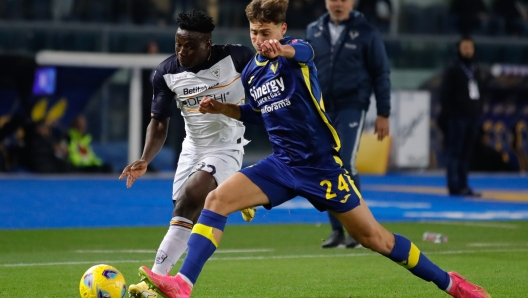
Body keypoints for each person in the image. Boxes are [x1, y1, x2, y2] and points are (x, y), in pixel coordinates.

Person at [136, 1, 491, 298]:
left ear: (281, 29)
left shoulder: (296, 55)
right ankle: (183, 284)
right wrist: (224, 108)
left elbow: (304, 50)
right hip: (281, 165)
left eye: (267, 33)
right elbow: (257, 115)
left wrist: (284, 48)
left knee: (376, 239)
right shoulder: (252, 73)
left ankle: (451, 283)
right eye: (255, 33)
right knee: (215, 201)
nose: (260, 41)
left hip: (321, 167)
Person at [119, 10, 256, 298]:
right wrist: (145, 158)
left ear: (207, 44)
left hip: (227, 145)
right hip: (192, 148)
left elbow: (265, 85)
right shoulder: (167, 73)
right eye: (178, 44)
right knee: (184, 212)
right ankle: (238, 192)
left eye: (190, 46)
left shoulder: (237, 58)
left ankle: (154, 280)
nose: (182, 51)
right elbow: (159, 122)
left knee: (193, 196)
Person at [305, 0, 390, 249]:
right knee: (326, 164)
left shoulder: (367, 31)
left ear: (353, 2)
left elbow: (381, 72)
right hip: (321, 108)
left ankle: (359, 230)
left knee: (345, 161)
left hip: (352, 105)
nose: (338, 3)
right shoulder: (314, 30)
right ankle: (337, 230)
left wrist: (383, 112)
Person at [439, 36, 482, 197]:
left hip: (472, 116)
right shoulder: (453, 68)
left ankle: (464, 184)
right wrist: (450, 115)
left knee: (466, 153)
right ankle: (453, 185)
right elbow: (445, 94)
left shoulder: (476, 68)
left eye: (470, 48)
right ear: (458, 49)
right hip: (457, 117)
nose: (468, 51)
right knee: (455, 152)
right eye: (464, 48)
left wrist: (478, 111)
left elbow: (480, 92)